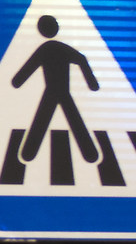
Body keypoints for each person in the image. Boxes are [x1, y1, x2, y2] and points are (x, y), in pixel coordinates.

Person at [12, 15, 101, 163]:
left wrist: (18, 81)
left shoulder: (47, 48)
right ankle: (90, 154)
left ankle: (28, 153)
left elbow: (29, 67)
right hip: (58, 92)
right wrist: (92, 83)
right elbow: (82, 59)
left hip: (55, 92)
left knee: (45, 120)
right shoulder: (57, 48)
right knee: (66, 120)